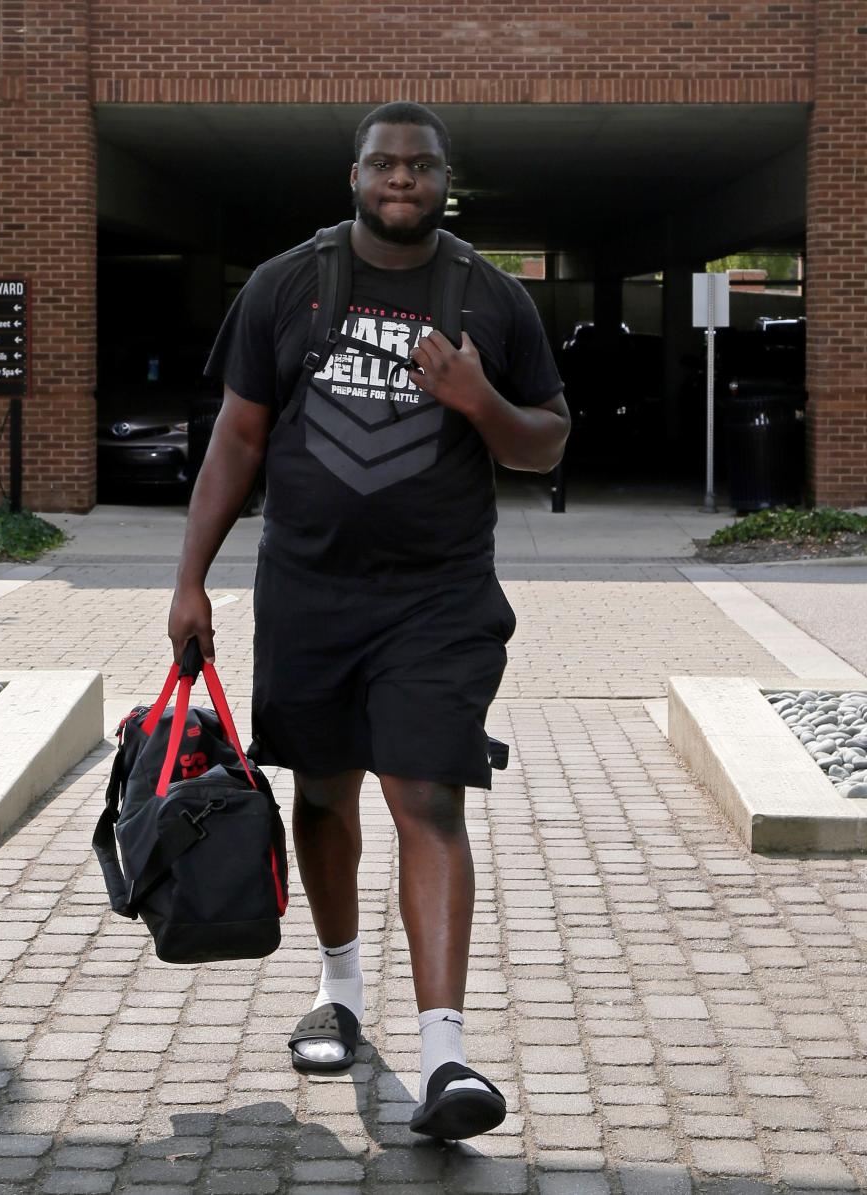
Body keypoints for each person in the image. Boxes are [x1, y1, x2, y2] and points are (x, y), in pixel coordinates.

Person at [168, 101, 570, 1140]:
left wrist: (480, 400)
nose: (403, 178)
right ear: (353, 175)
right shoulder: (284, 287)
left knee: (428, 795)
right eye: (384, 163)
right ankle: (338, 992)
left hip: (439, 600)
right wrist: (189, 579)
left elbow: (546, 448)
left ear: (447, 182)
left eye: (423, 165)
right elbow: (238, 441)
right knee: (322, 792)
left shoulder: (491, 299)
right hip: (308, 593)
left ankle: (447, 1059)